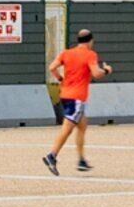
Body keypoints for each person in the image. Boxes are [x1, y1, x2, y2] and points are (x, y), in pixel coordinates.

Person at [44, 27, 103, 176]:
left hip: (65, 94)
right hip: (77, 97)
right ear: (90, 41)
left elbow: (52, 67)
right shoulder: (90, 54)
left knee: (82, 125)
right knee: (67, 128)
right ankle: (52, 155)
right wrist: (107, 70)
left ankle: (81, 159)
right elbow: (96, 73)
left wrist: (60, 79)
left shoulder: (66, 53)